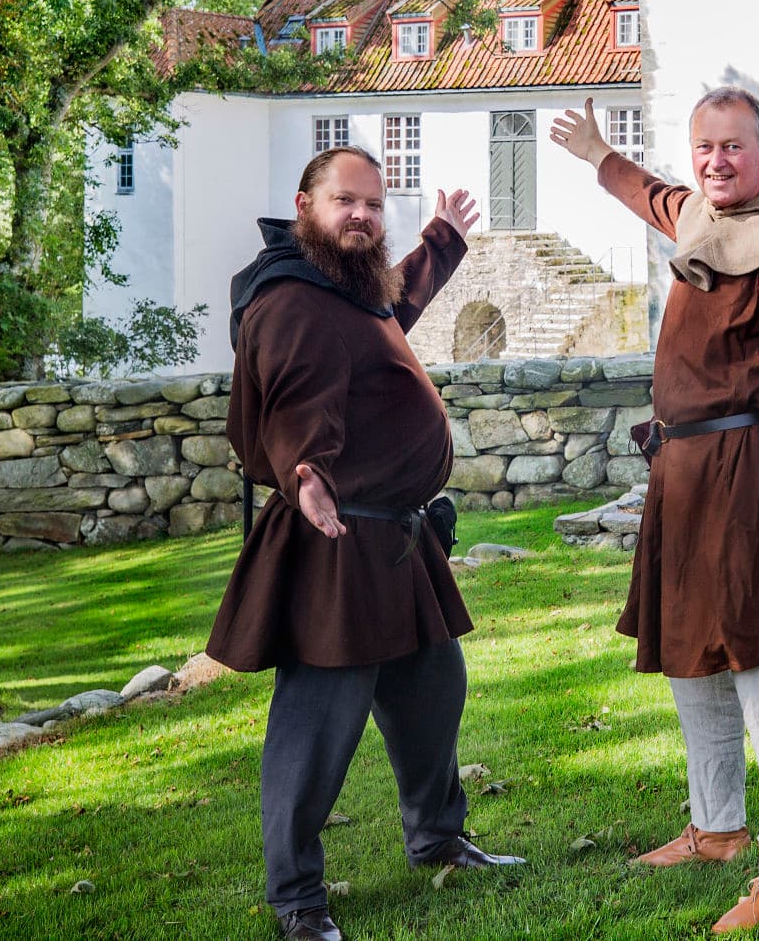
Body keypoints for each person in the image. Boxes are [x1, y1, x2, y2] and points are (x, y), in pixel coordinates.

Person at [550, 87, 759, 932]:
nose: (716, 161)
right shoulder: (701, 218)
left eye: (733, 147)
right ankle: (718, 826)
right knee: (692, 652)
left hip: (742, 466)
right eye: (705, 148)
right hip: (682, 469)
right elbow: (652, 195)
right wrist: (595, 155)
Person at [205, 145, 524, 941]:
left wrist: (442, 241)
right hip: (334, 542)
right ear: (304, 205)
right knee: (318, 731)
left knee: (431, 695)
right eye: (345, 201)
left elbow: (393, 306)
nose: (362, 216)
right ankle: (297, 901)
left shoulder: (342, 286)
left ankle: (439, 838)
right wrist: (305, 470)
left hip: (400, 541)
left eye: (375, 206)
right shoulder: (287, 300)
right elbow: (291, 395)